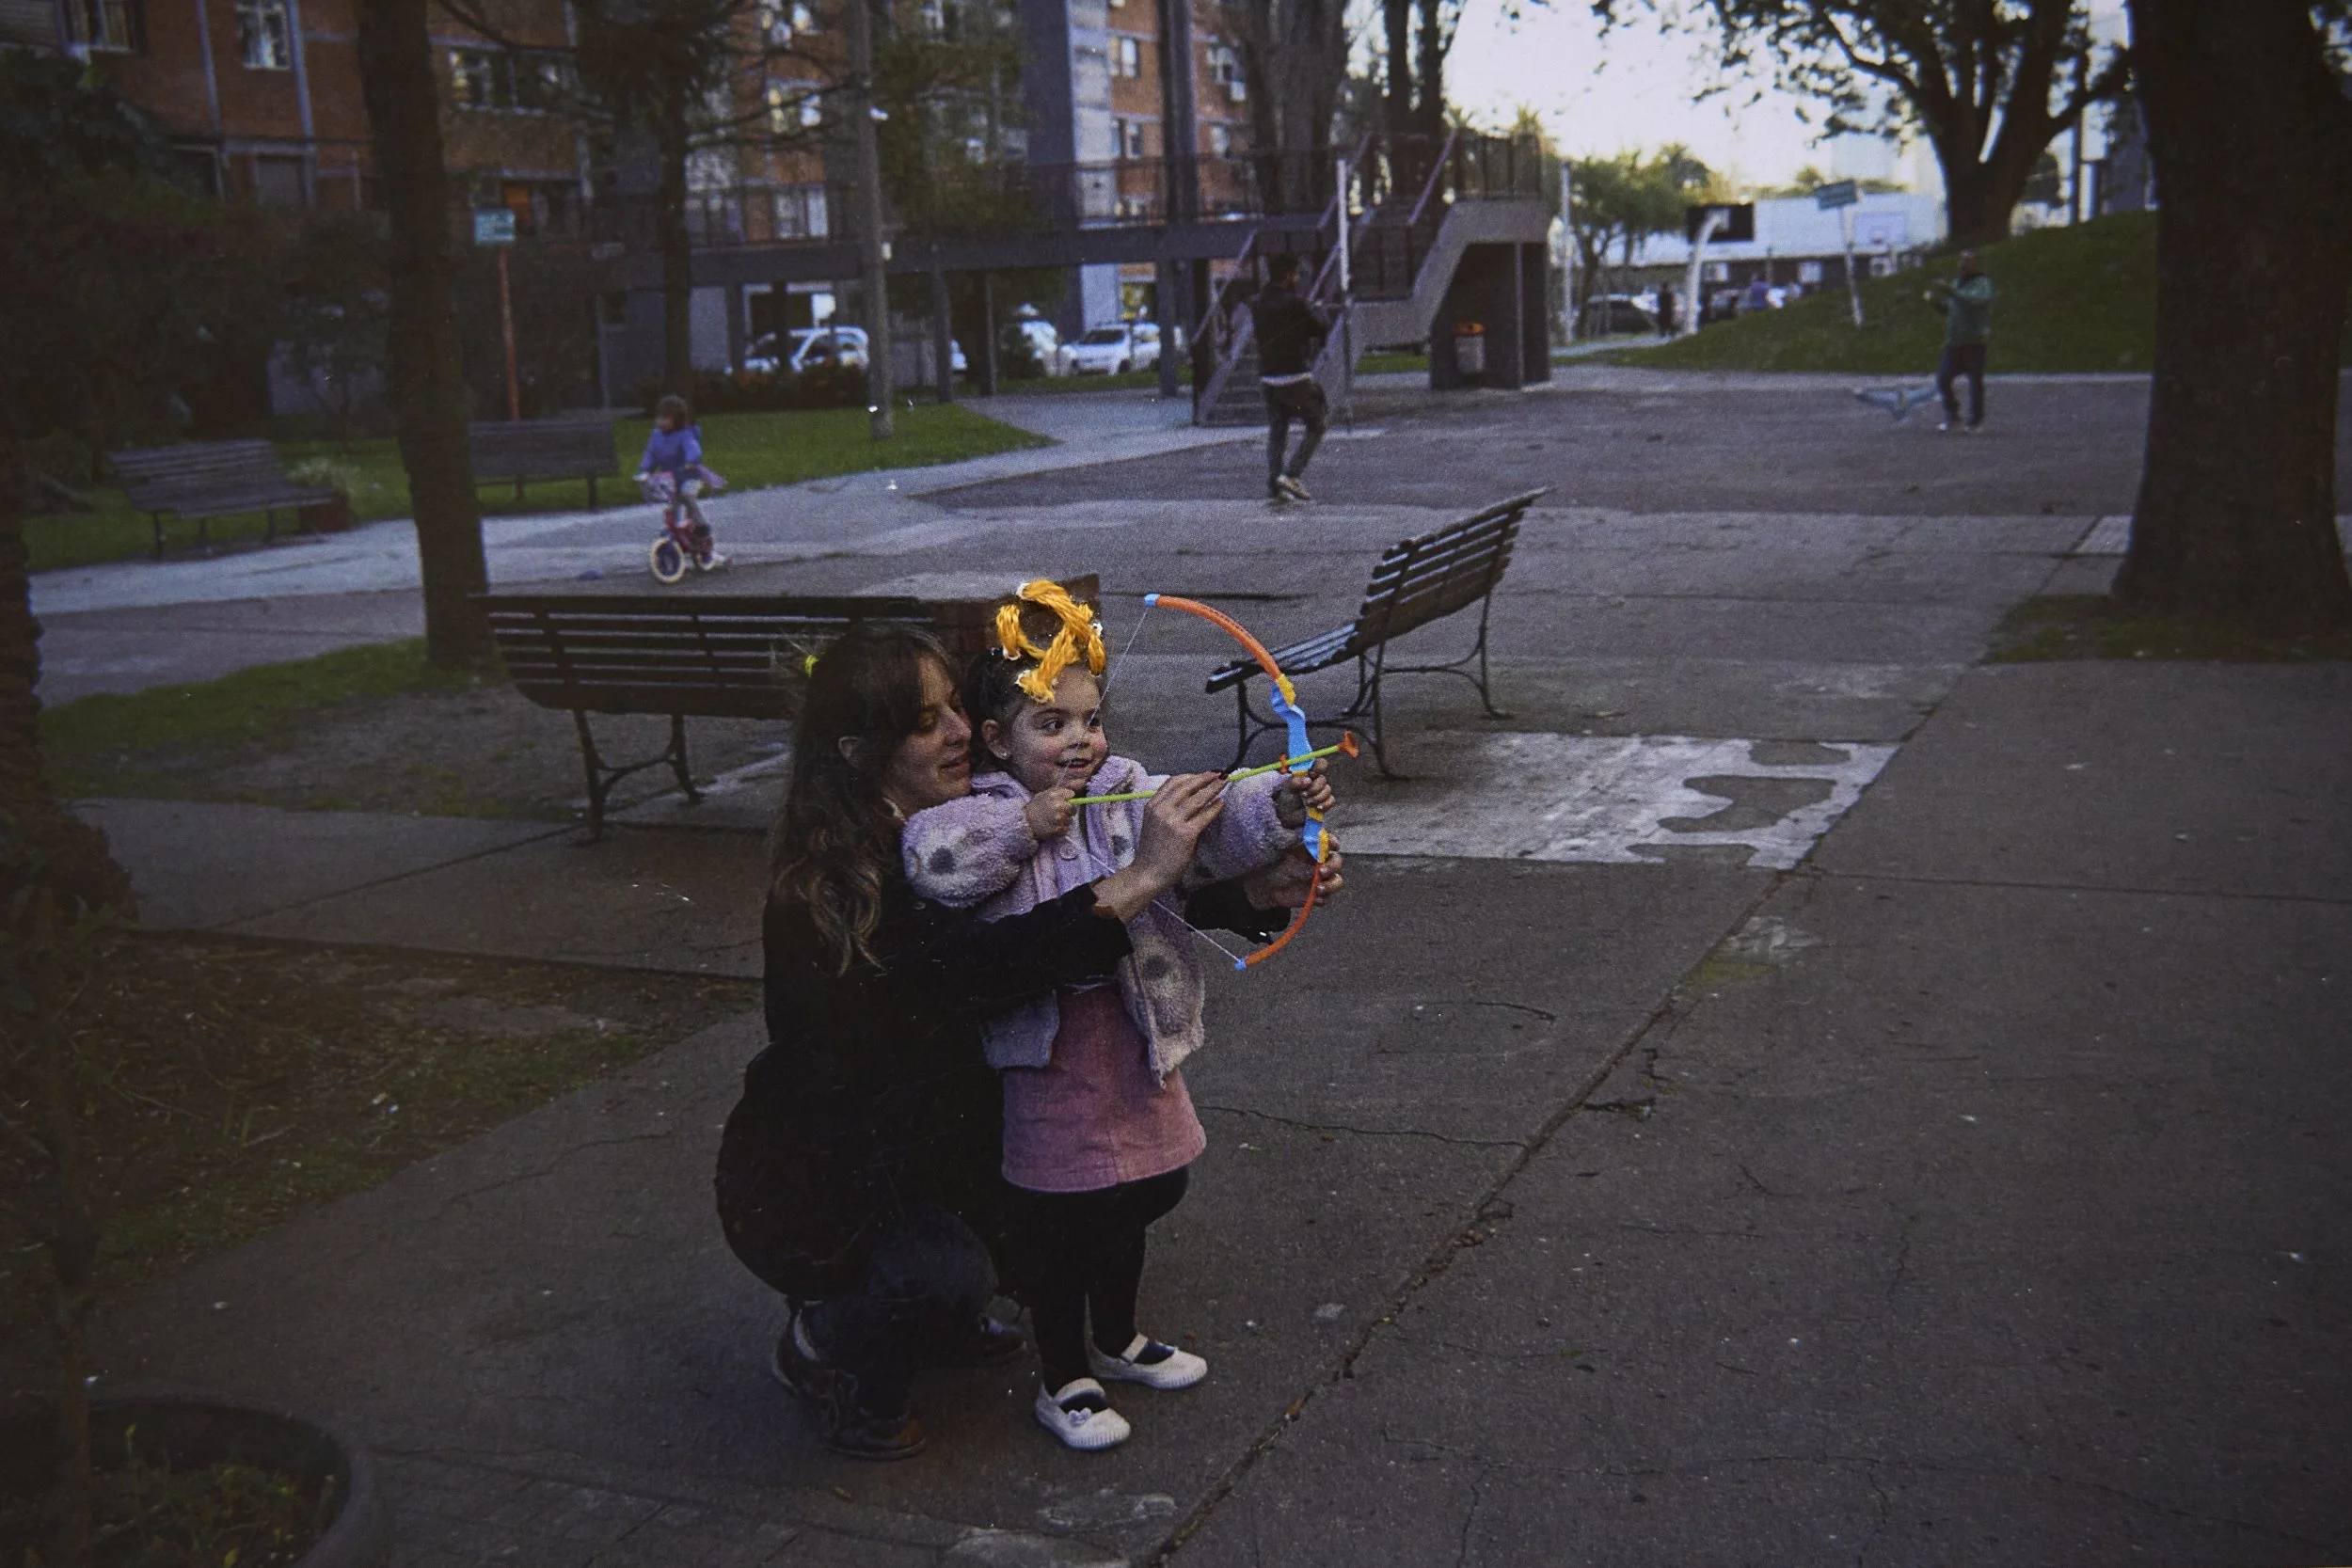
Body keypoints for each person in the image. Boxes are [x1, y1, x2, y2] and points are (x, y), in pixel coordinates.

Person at [714, 623, 1336, 1461]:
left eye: (956, 709)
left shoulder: (978, 817)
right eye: (924, 721)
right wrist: (1144, 875)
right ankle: (828, 1345)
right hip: (831, 1176)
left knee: (1110, 1195)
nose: (962, 730)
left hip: (951, 1129)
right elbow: (1000, 961)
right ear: (861, 750)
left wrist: (1259, 886)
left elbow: (1100, 899)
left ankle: (957, 1280)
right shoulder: (855, 879)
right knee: (955, 1269)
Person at [898, 582, 1336, 1451]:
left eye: (1090, 721)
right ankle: (1065, 1376)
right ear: (997, 741)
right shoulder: (976, 812)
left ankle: (1121, 1335)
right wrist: (1027, 825)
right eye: (1051, 726)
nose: (1080, 743)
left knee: (1144, 1190)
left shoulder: (1125, 785)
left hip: (1135, 1040)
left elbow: (1206, 823)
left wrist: (1278, 807)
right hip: (1049, 1062)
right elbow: (936, 862)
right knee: (1064, 1220)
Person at [1251, 252, 1330, 504]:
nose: (1297, 278)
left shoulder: (1258, 303)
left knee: (1278, 430)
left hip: (1268, 376)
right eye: (1295, 274)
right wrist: (1319, 311)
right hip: (1295, 375)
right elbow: (1317, 329)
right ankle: (1292, 474)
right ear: (1288, 276)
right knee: (1317, 424)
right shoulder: (1297, 303)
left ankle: (1275, 483)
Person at [635, 394, 728, 569]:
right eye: (659, 417)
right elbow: (651, 454)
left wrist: (690, 461)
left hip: (689, 476)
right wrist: (645, 471)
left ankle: (701, 527)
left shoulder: (685, 434)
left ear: (676, 420)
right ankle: (678, 537)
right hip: (670, 479)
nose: (661, 422)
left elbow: (692, 448)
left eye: (666, 418)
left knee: (686, 494)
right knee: (672, 506)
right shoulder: (656, 436)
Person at [1926, 249, 1994, 432]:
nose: (1961, 264)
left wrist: (1951, 291)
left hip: (1974, 342)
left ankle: (1976, 420)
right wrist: (1936, 304)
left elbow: (1975, 302)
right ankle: (1953, 414)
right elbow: (1952, 309)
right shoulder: (1958, 283)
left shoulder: (1982, 283)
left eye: (1966, 260)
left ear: (1976, 264)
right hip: (1954, 343)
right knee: (1943, 379)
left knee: (1975, 382)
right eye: (1961, 260)